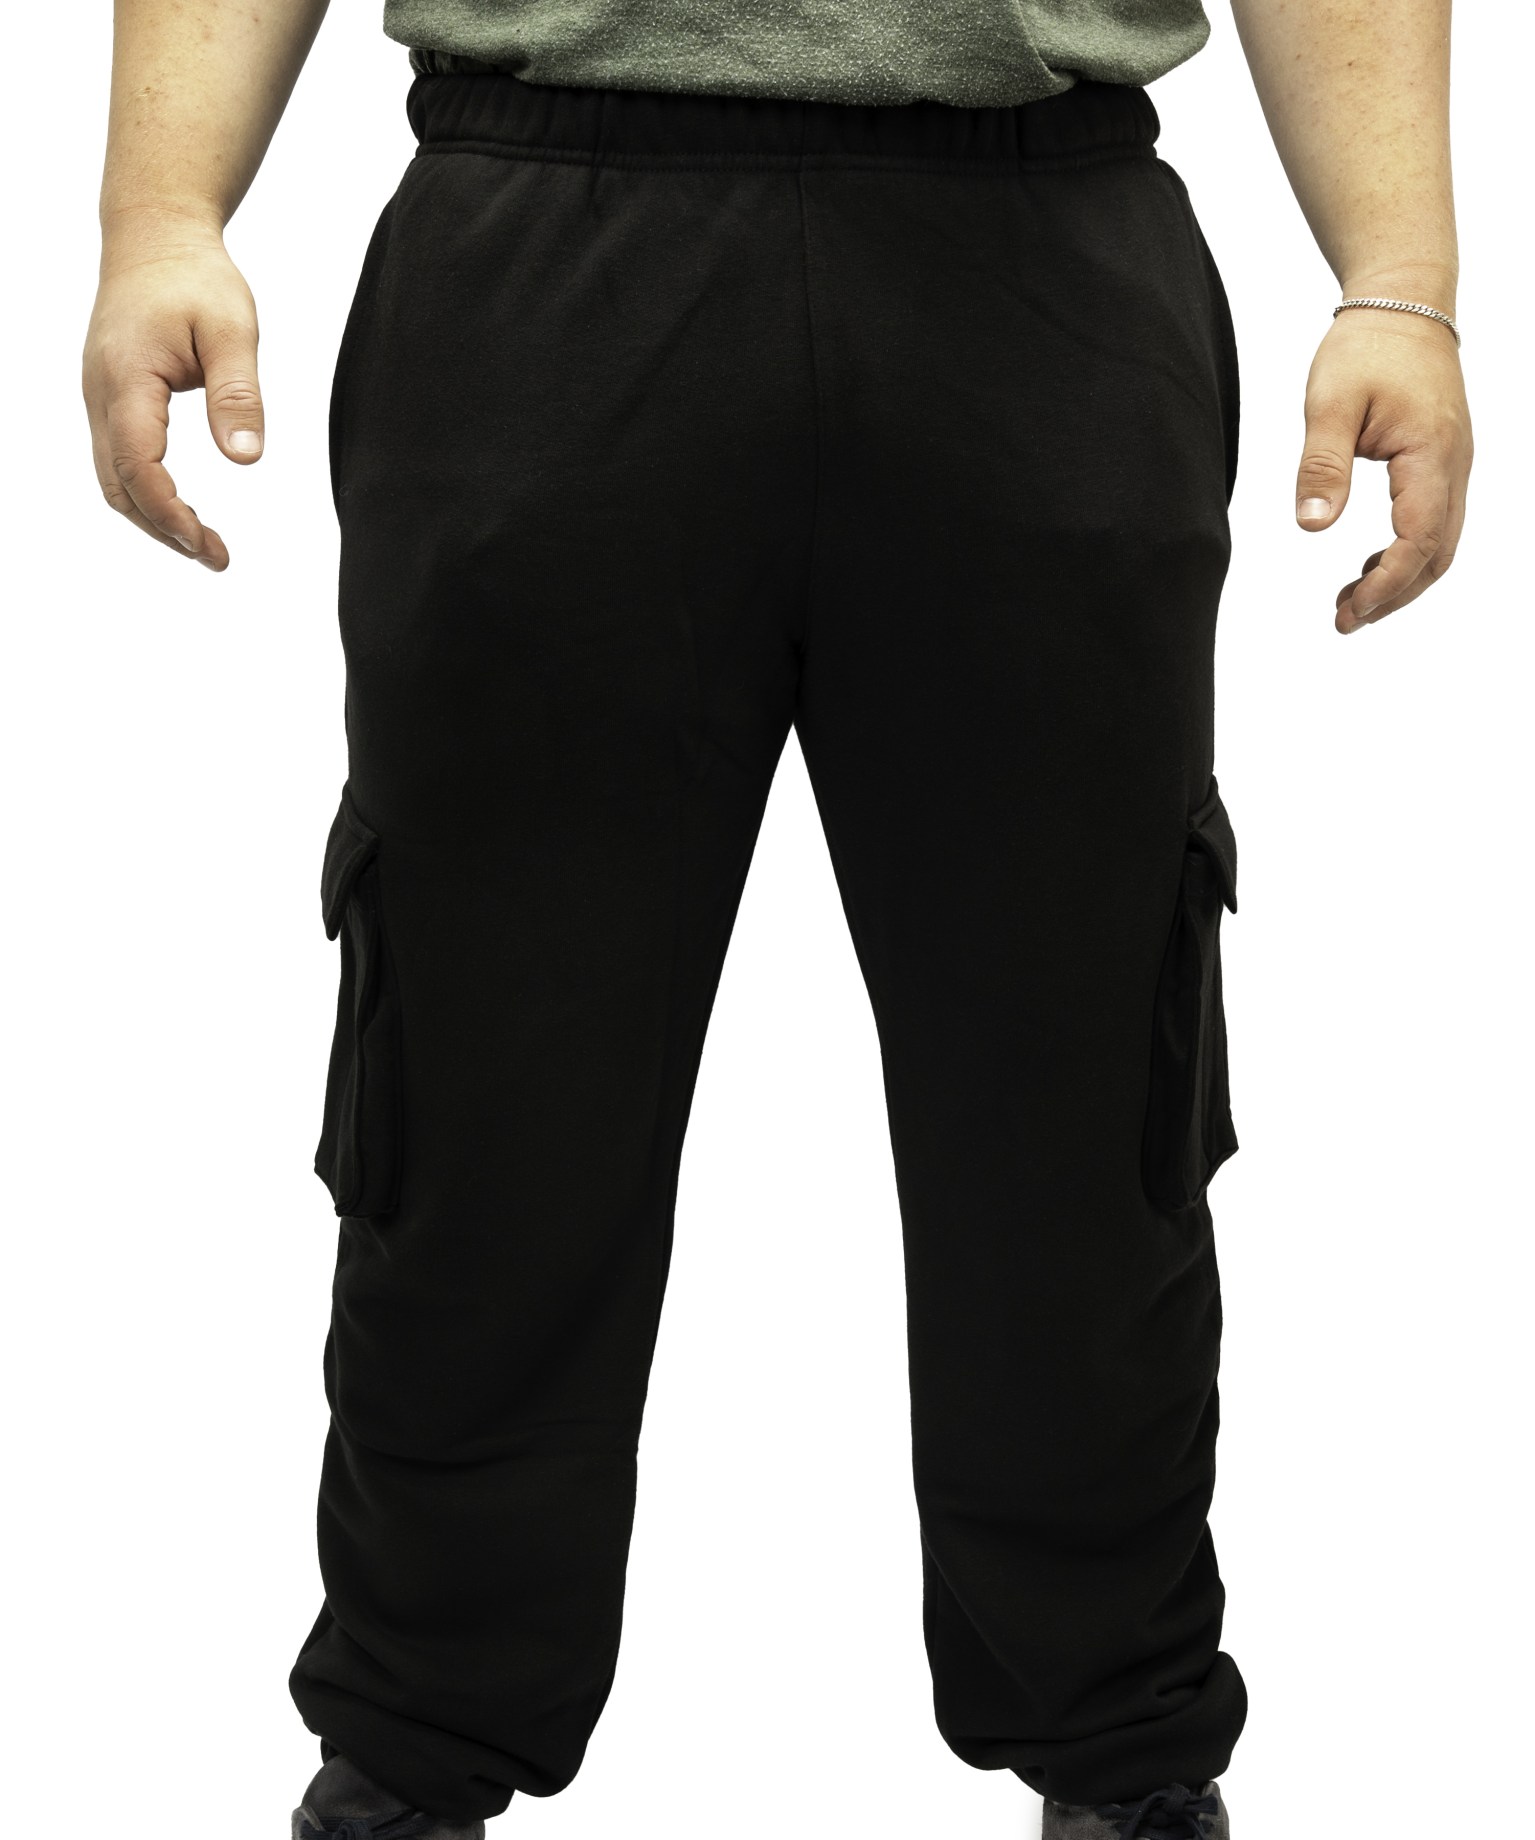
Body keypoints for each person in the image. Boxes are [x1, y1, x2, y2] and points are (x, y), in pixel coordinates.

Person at [82, 0, 1472, 1834]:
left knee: (1079, 1106)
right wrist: (159, 213)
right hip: (541, 236)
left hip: (1043, 248)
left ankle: (1123, 1756)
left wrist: (1400, 281)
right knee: (480, 1096)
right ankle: (410, 1756)